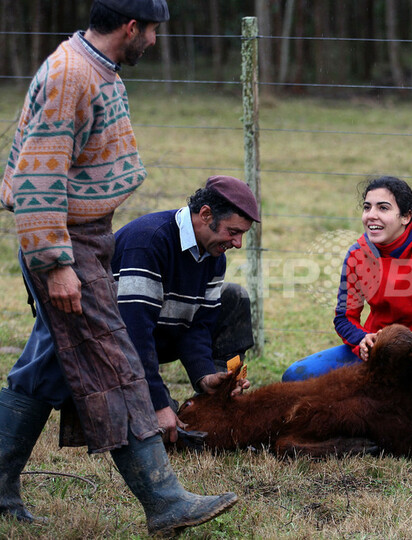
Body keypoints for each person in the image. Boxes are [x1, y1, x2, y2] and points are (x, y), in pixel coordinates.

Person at [0, 1, 238, 535]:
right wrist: (56, 263)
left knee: (46, 365)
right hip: (67, 244)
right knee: (114, 361)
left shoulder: (93, 68)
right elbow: (38, 177)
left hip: (85, 237)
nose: (153, 40)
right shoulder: (71, 74)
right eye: (152, 30)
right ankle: (164, 499)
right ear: (131, 26)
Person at [282, 176, 412, 471]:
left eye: (383, 208)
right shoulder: (357, 254)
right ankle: (345, 440)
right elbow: (344, 317)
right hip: (382, 353)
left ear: (405, 216)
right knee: (296, 376)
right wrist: (362, 339)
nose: (372, 215)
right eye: (367, 207)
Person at [112, 175, 258, 443]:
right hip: (115, 347)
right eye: (233, 232)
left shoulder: (214, 257)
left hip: (158, 335)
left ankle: (220, 393)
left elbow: (199, 324)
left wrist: (204, 374)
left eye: (242, 235)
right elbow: (133, 334)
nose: (238, 243)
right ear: (205, 214)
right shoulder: (149, 242)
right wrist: (157, 403)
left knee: (235, 296)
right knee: (162, 434)